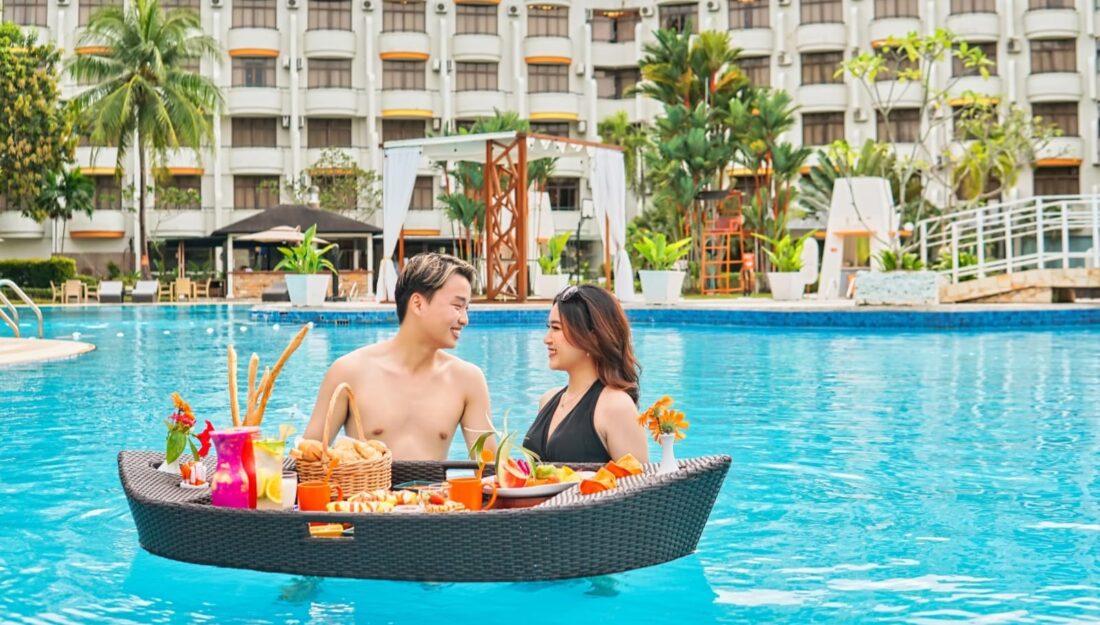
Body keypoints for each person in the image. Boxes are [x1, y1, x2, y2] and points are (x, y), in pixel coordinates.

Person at [302, 253, 495, 461]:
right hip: (368, 484)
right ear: (418, 304)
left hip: (436, 485)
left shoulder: (468, 380)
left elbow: (490, 468)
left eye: (466, 308)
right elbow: (307, 458)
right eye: (457, 306)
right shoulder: (349, 372)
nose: (465, 319)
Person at [522, 284, 649, 464]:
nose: (546, 339)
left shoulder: (616, 407)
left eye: (556, 328)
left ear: (593, 337)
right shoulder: (547, 400)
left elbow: (639, 480)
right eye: (548, 327)